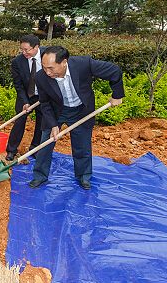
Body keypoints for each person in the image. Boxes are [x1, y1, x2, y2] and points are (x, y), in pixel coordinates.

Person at [29, 46, 124, 190]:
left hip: (81, 110)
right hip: (57, 111)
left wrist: (117, 94)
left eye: (51, 68)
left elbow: (114, 71)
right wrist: (53, 125)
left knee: (82, 146)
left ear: (64, 62)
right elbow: (45, 103)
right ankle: (39, 176)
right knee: (45, 144)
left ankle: (83, 177)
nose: (47, 72)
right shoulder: (41, 77)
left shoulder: (83, 64)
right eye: (44, 67)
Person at [5, 34, 44, 161]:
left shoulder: (48, 56)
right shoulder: (17, 62)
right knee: (20, 120)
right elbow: (18, 85)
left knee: (42, 122)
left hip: (44, 95)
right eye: (22, 49)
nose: (24, 52)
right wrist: (25, 101)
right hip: (26, 95)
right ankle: (11, 150)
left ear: (36, 47)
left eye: (27, 49)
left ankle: (35, 148)